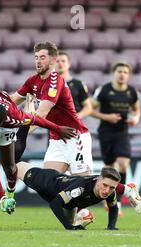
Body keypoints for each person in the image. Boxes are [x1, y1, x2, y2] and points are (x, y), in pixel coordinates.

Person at [0, 90, 76, 214]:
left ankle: (10, 190)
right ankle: (3, 199)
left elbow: (36, 120)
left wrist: (58, 129)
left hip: (5, 130)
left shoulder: (15, 117)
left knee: (10, 168)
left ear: (1, 123)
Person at [10, 41, 92, 176]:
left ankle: (124, 189)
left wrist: (19, 135)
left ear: (52, 60)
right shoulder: (32, 80)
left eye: (42, 57)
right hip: (56, 139)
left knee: (84, 188)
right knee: (48, 183)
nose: (38, 61)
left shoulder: (55, 80)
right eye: (36, 57)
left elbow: (41, 114)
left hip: (74, 136)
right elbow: (13, 100)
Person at [16, 161, 141, 230]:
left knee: (71, 218)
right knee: (14, 167)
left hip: (69, 202)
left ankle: (83, 215)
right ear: (98, 180)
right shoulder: (81, 188)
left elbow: (113, 207)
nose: (107, 190)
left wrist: (111, 227)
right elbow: (55, 203)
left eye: (111, 188)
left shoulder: (109, 191)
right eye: (104, 185)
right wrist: (68, 227)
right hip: (44, 181)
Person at [91, 61, 141, 213]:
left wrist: (136, 119)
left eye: (125, 72)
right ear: (114, 73)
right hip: (106, 132)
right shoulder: (104, 90)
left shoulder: (132, 92)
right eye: (119, 71)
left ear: (129, 75)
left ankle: (119, 202)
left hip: (122, 132)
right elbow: (90, 110)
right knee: (109, 168)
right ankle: (108, 201)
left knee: (124, 164)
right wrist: (107, 117)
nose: (122, 74)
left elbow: (137, 110)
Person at [56, 51, 93, 120]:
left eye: (63, 61)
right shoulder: (47, 84)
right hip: (54, 126)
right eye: (57, 61)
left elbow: (88, 108)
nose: (60, 63)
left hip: (73, 126)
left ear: (69, 64)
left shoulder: (78, 84)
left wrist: (76, 117)